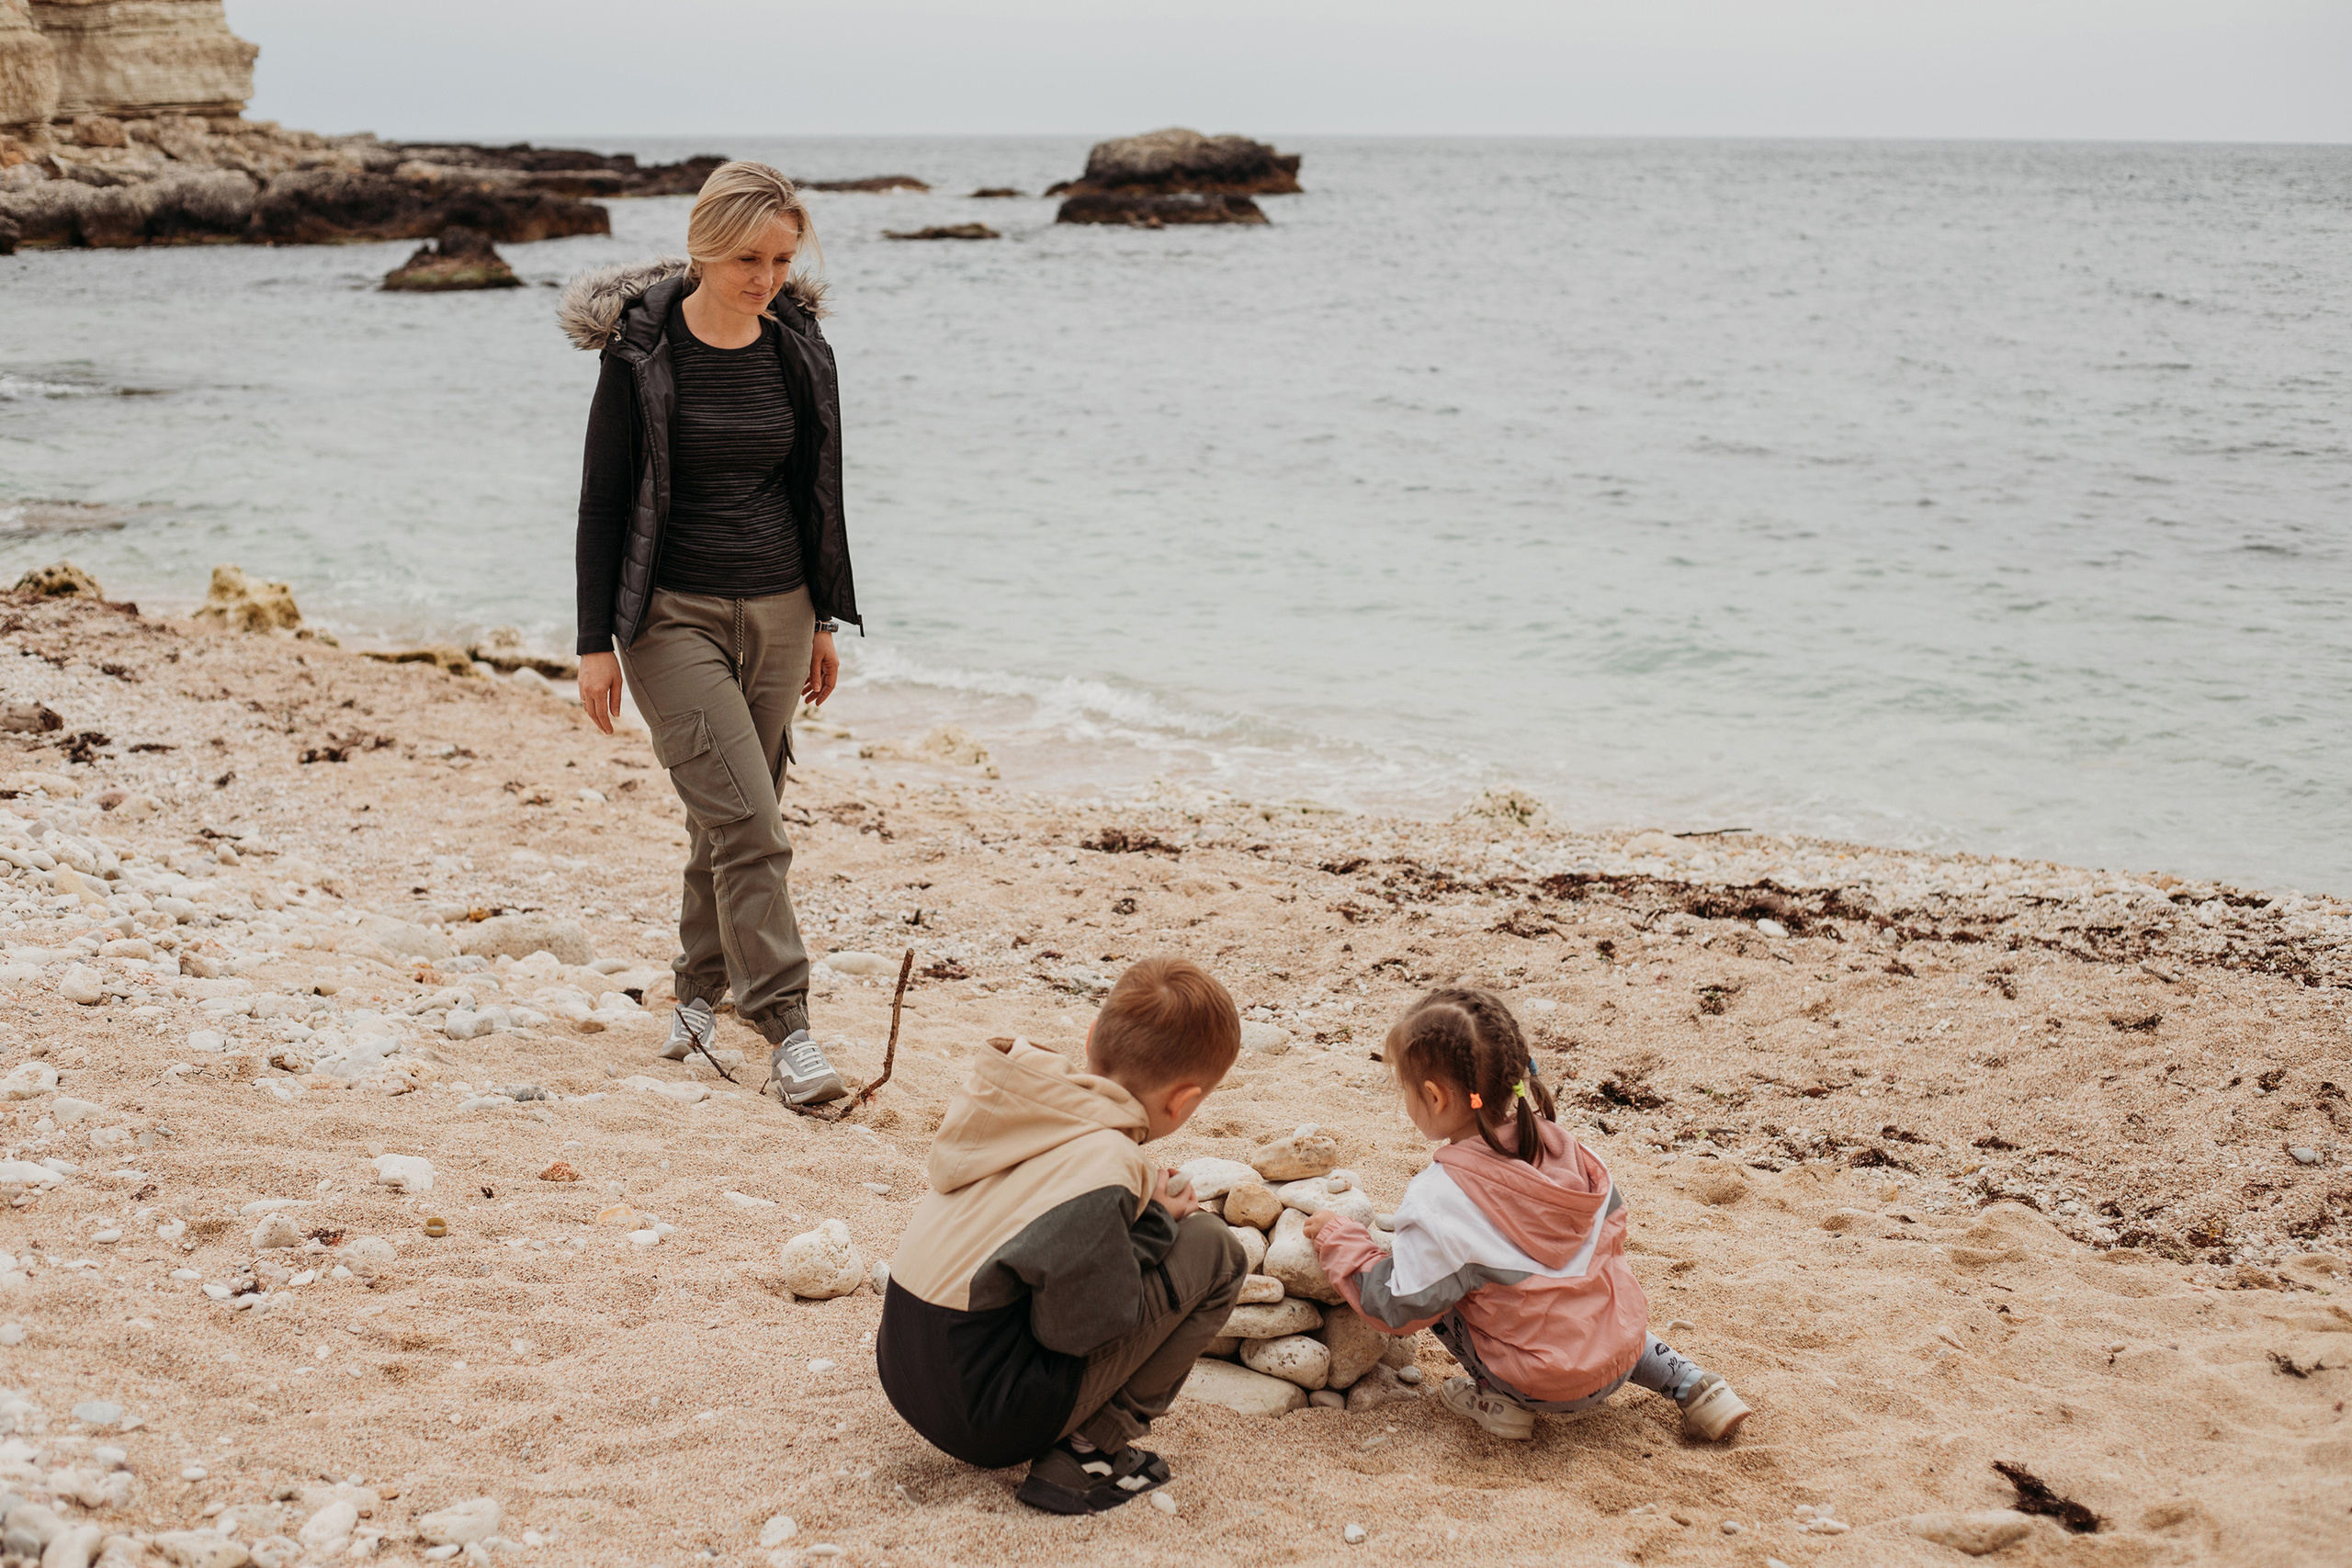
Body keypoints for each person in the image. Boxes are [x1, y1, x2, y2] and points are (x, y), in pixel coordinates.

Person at [559, 161, 861, 1106]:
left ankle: (695, 994)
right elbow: (603, 500)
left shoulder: (798, 346)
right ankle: (788, 1029)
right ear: (701, 248)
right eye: (746, 260)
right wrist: (594, 641)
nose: (766, 278)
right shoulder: (639, 353)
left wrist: (822, 616)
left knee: (726, 812)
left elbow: (816, 489)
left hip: (780, 607)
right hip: (668, 616)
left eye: (782, 260)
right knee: (751, 823)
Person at [877, 957, 1246, 1514]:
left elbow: (1041, 1246)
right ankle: (1088, 1454)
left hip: (906, 1372)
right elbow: (1078, 1330)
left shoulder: (1022, 1110)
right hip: (983, 1418)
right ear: (1184, 1100)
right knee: (1217, 1251)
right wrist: (1156, 1221)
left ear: (1092, 1036)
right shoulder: (1108, 1163)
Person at [1306, 987, 1751, 1442]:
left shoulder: (1440, 1198)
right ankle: (1696, 1385)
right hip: (1620, 1349)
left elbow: (1397, 1308)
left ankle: (1497, 1402)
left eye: (1406, 1088)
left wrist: (1343, 1241)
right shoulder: (1577, 1156)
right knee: (1582, 1293)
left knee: (1442, 1281)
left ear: (1435, 1097)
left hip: (1541, 1386)